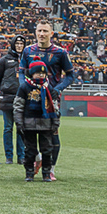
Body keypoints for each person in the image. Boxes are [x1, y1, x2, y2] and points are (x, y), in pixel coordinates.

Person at [21, 21, 77, 178]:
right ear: (35, 32)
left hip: (50, 99)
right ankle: (37, 158)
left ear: (51, 34)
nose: (42, 34)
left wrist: (57, 89)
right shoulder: (27, 51)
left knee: (52, 132)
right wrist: (23, 89)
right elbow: (22, 73)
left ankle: (51, 169)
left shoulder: (60, 52)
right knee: (25, 129)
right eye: (39, 30)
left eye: (45, 31)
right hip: (31, 97)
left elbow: (70, 75)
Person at [16, 61, 60, 181]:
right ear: (31, 74)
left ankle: (46, 173)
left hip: (46, 123)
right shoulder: (24, 87)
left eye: (43, 73)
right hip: (29, 123)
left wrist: (55, 122)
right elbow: (18, 106)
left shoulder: (49, 87)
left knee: (47, 150)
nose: (41, 75)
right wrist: (19, 122)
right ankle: (29, 173)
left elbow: (54, 106)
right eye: (38, 72)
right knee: (30, 150)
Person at [0, 36, 26, 165]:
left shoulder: (27, 59)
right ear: (13, 45)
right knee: (8, 127)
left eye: (21, 43)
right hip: (7, 97)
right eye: (17, 43)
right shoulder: (4, 60)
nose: (19, 45)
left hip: (22, 97)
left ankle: (21, 157)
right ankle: (9, 157)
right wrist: (4, 88)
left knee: (21, 128)